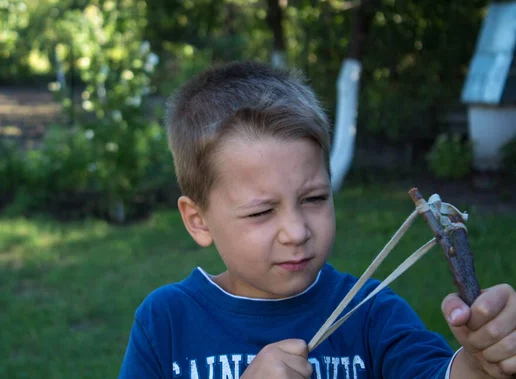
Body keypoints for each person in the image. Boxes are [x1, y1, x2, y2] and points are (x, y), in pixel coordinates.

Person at [119, 61, 516, 378]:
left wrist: (479, 364)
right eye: (261, 211)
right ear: (198, 220)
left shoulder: (371, 313)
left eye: (313, 198)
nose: (297, 232)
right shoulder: (167, 322)